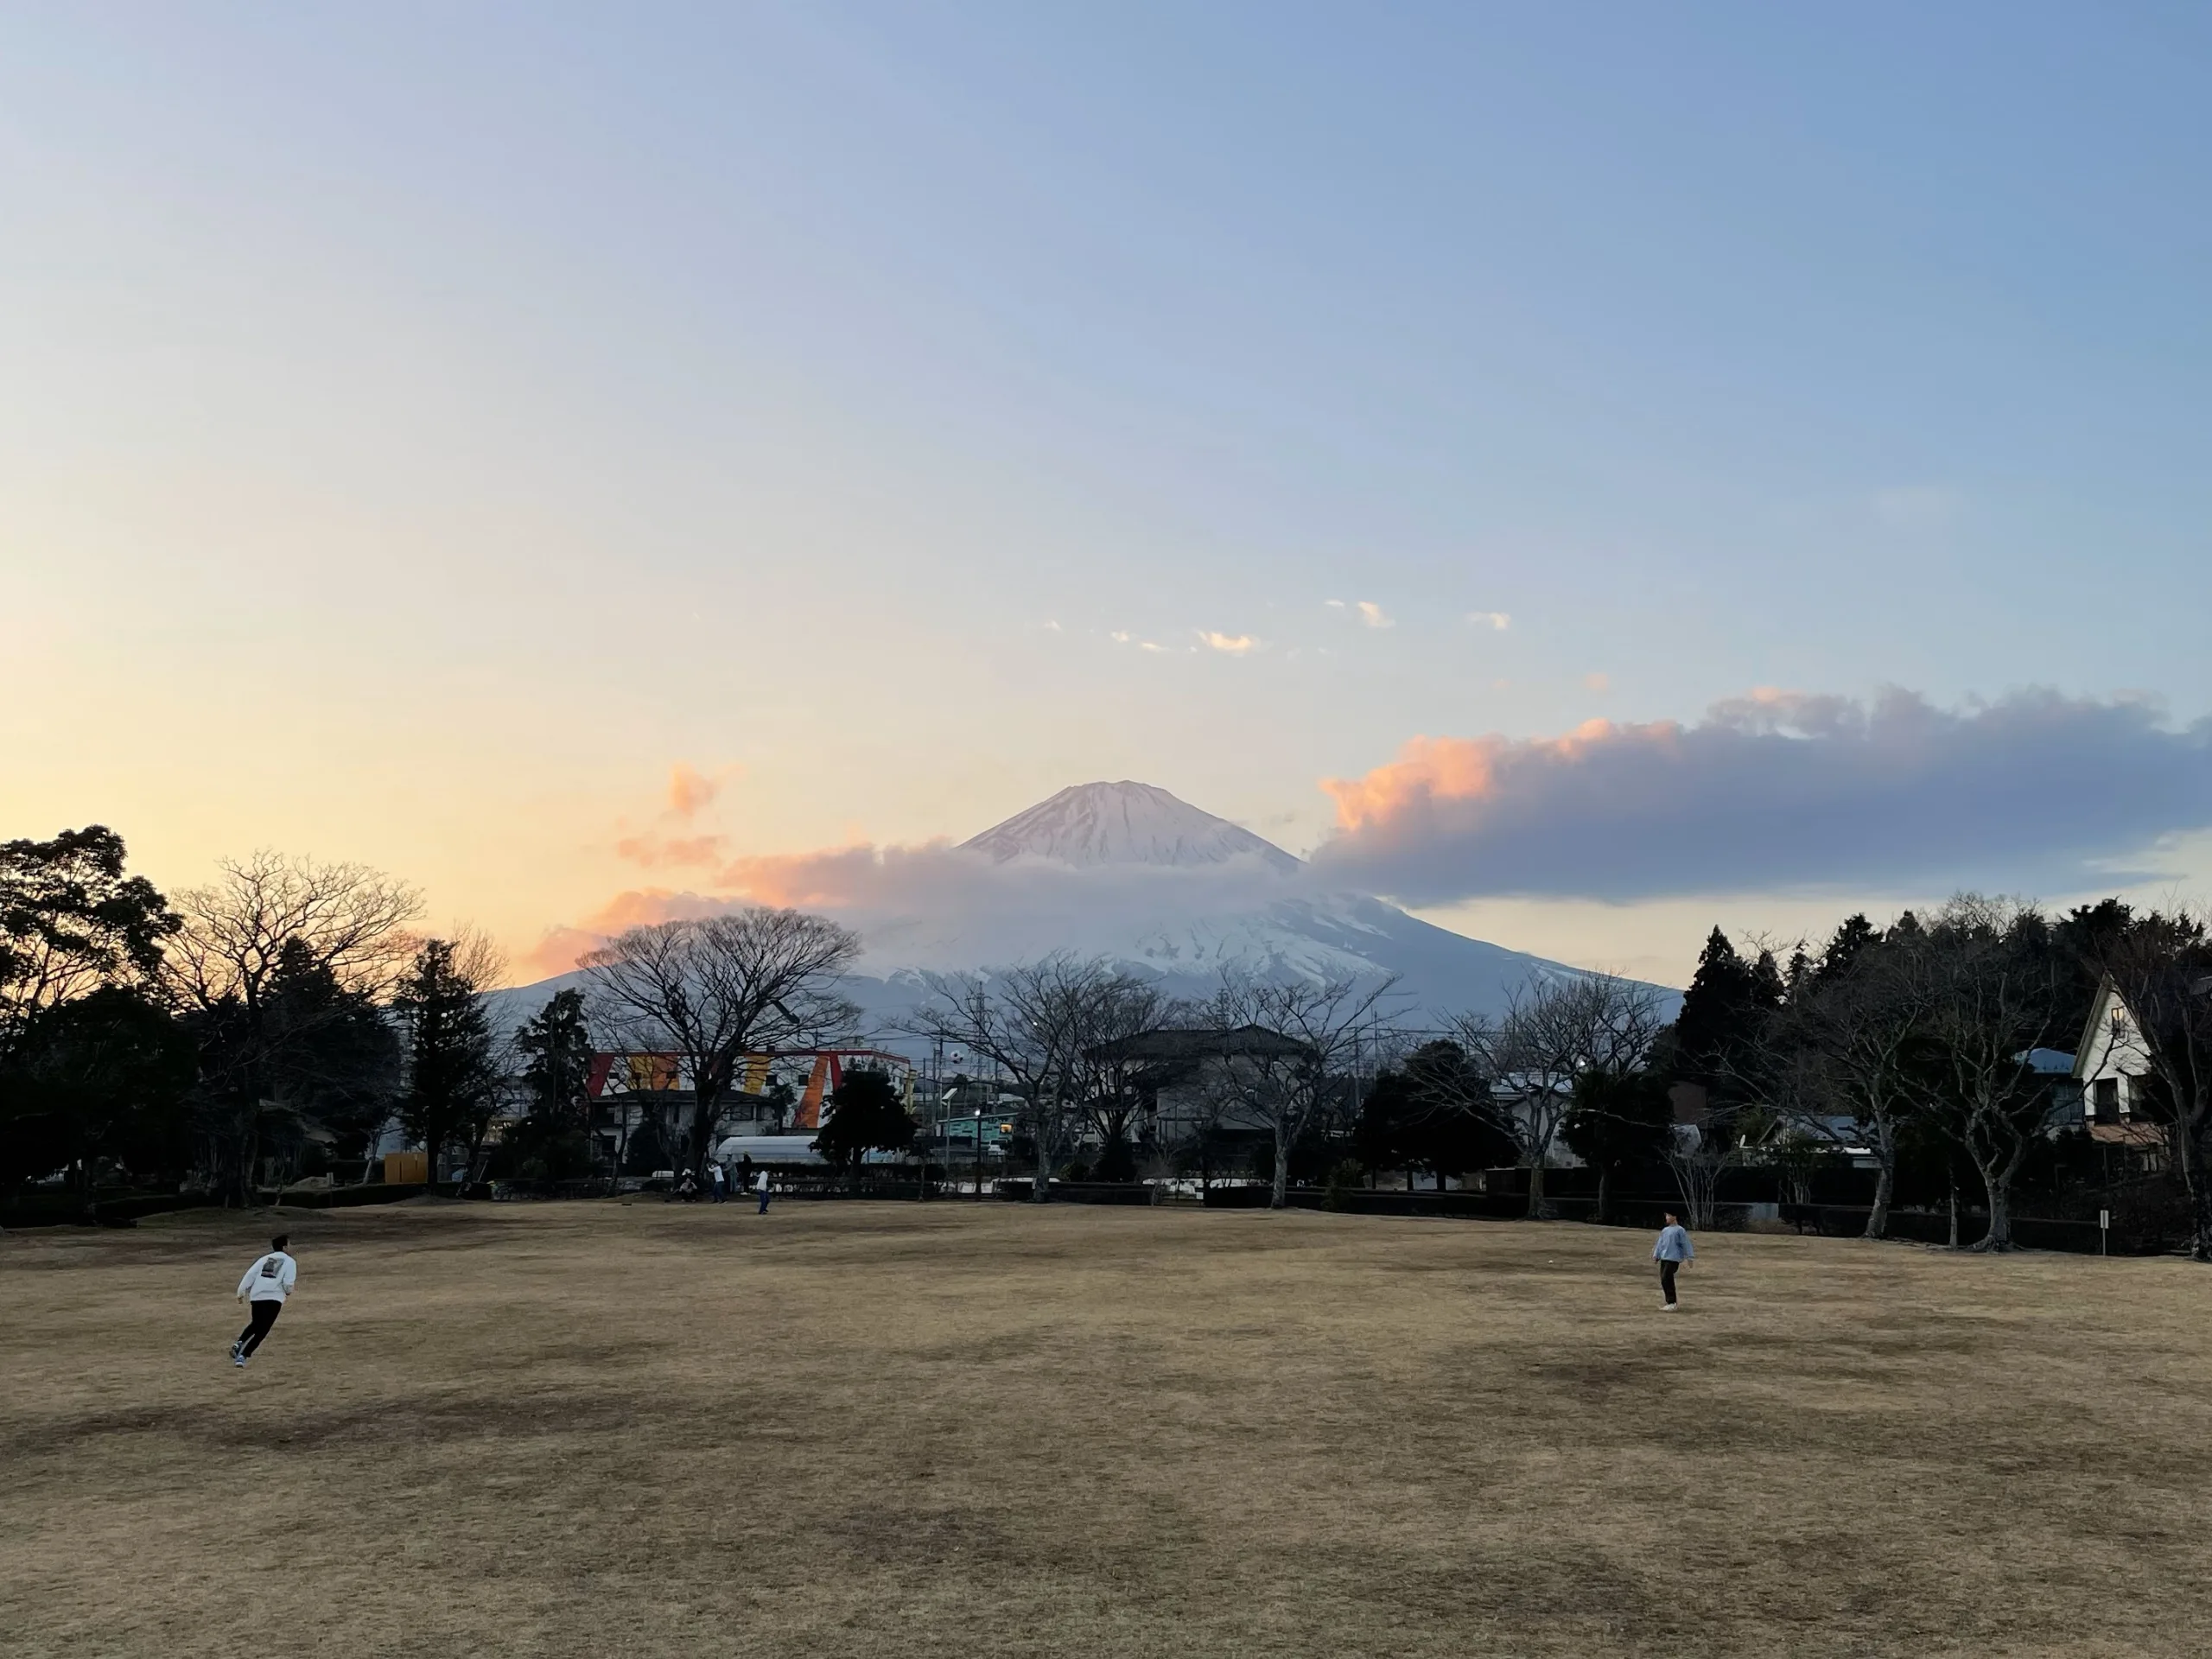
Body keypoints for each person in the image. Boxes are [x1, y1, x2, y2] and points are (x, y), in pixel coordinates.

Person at [232, 1233, 298, 1367]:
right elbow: (288, 1283)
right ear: (284, 1247)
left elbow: (250, 1274)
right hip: (274, 1298)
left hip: (257, 1296)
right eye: (290, 1244)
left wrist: (241, 1292)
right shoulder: (290, 1262)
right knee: (263, 1329)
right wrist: (288, 1291)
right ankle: (243, 1356)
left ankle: (240, 1342)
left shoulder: (265, 1259)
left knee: (256, 1323)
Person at [1653, 1211, 1694, 1310]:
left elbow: (1685, 1244)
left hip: (1673, 1259)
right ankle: (1670, 1302)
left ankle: (1672, 1302)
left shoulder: (1680, 1230)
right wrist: (1656, 1255)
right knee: (1664, 1280)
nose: (1666, 1218)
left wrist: (1690, 1257)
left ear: (1674, 1217)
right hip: (1664, 1258)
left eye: (1668, 1216)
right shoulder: (1665, 1230)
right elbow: (1660, 1243)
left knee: (1667, 1277)